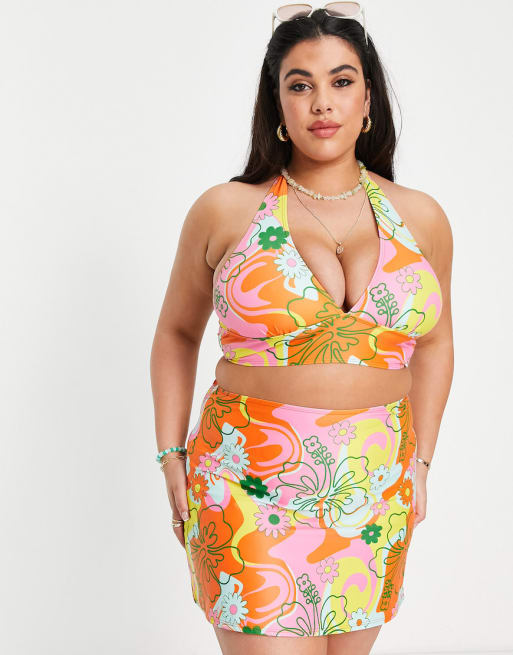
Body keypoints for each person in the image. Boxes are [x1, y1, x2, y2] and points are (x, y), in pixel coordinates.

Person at [150, 5, 454, 654]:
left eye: (341, 81)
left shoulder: (421, 218)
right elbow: (176, 333)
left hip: (373, 485)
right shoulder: (226, 209)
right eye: (299, 84)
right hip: (248, 485)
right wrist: (170, 454)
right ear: (277, 103)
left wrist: (421, 461)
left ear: (368, 98)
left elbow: (434, 342)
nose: (322, 102)